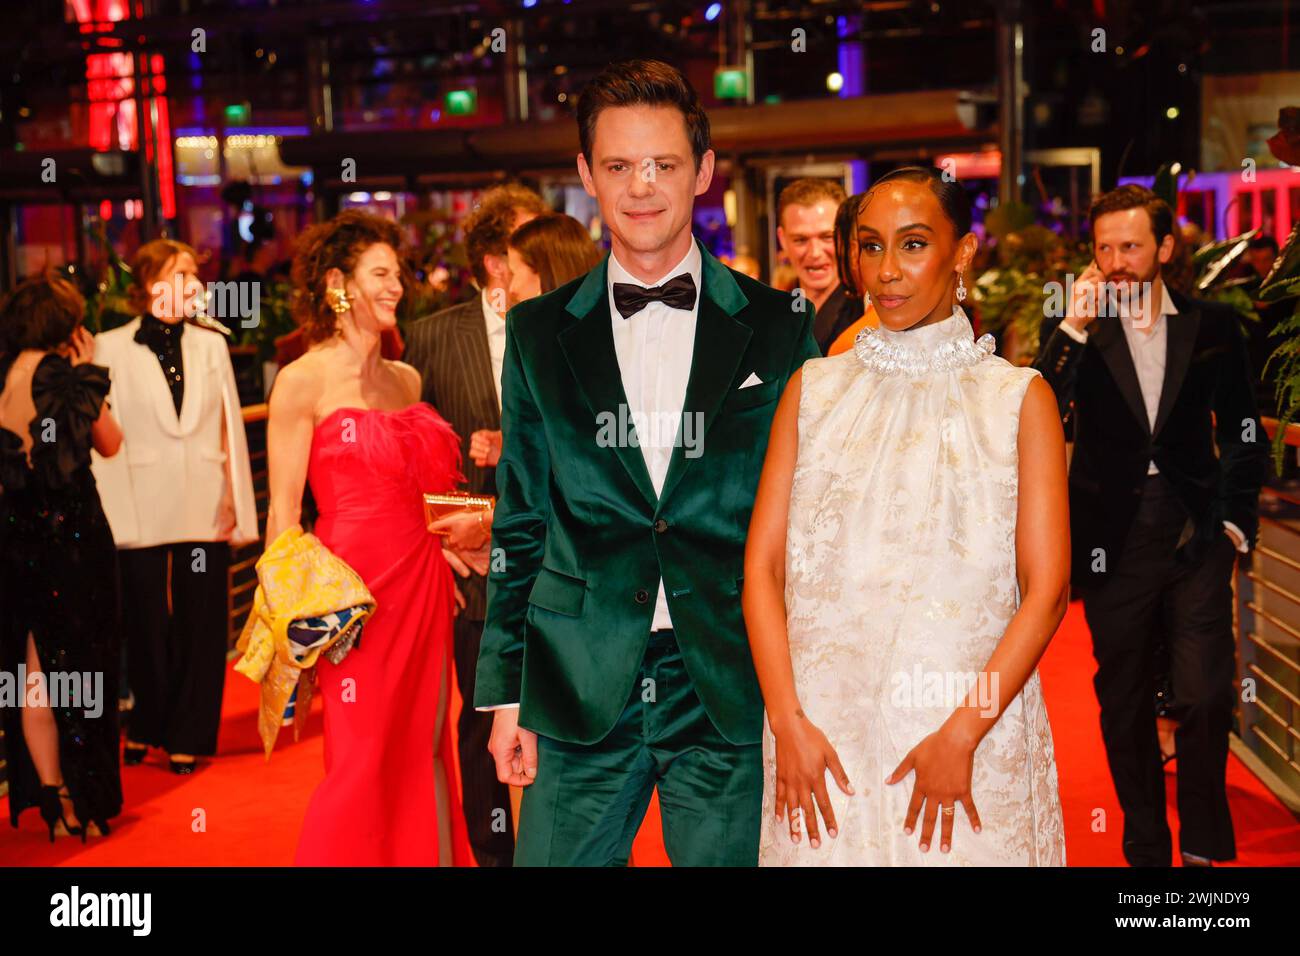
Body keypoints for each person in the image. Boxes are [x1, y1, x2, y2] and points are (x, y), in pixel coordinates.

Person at [474, 58, 819, 866]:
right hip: (578, 682)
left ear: (702, 171)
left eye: (663, 165)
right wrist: (504, 693)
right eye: (620, 166)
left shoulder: (778, 327)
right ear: (586, 174)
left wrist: (807, 696)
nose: (642, 188)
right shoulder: (535, 333)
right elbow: (520, 521)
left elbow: (811, 522)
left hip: (728, 682)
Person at [746, 167, 1070, 866]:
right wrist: (786, 722)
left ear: (963, 253)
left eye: (914, 244)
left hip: (968, 742)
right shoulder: (814, 389)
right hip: (822, 747)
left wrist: (963, 733)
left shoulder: (1018, 399)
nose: (886, 271)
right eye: (869, 246)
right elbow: (762, 568)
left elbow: (1047, 592)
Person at [1034, 184, 1269, 866]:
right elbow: (1034, 407)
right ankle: (1145, 844)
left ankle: (1202, 840)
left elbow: (1247, 432)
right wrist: (1072, 328)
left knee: (1203, 694)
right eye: (1103, 248)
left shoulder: (1215, 326)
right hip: (1112, 542)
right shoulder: (1085, 330)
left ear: (1163, 248)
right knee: (1125, 700)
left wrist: (1234, 525)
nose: (1116, 262)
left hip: (1196, 533)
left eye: (1130, 246)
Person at [266, 209, 473, 866]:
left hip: (423, 586)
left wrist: (446, 544)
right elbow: (282, 518)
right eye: (380, 274)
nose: (396, 288)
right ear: (337, 283)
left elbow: (422, 493)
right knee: (358, 756)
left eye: (398, 274)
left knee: (423, 747)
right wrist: (297, 628)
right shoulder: (301, 380)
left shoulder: (407, 380)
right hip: (349, 596)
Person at [402, 182, 547, 867]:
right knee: (480, 720)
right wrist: (446, 551)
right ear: (495, 260)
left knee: (565, 721)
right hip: (470, 573)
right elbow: (409, 462)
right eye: (528, 241)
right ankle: (494, 855)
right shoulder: (430, 339)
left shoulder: (566, 327)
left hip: (557, 565)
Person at [91, 239, 259, 775]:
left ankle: (188, 733)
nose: (194, 285)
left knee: (203, 618)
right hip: (136, 499)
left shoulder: (211, 344)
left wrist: (237, 499)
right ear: (148, 285)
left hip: (203, 496)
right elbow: (104, 433)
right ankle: (146, 723)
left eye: (194, 274)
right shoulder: (108, 345)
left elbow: (230, 422)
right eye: (180, 274)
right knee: (141, 618)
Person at [0, 273, 124, 840]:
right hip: (70, 541)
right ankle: (79, 796)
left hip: (15, 539)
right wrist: (88, 370)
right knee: (80, 668)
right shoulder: (62, 377)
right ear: (64, 326)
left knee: (32, 671)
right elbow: (110, 441)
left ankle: (50, 795)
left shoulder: (5, 375)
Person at [776, 178, 859, 354]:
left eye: (827, 237)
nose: (814, 252)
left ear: (845, 235)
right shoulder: (772, 314)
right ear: (783, 239)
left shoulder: (865, 314)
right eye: (800, 240)